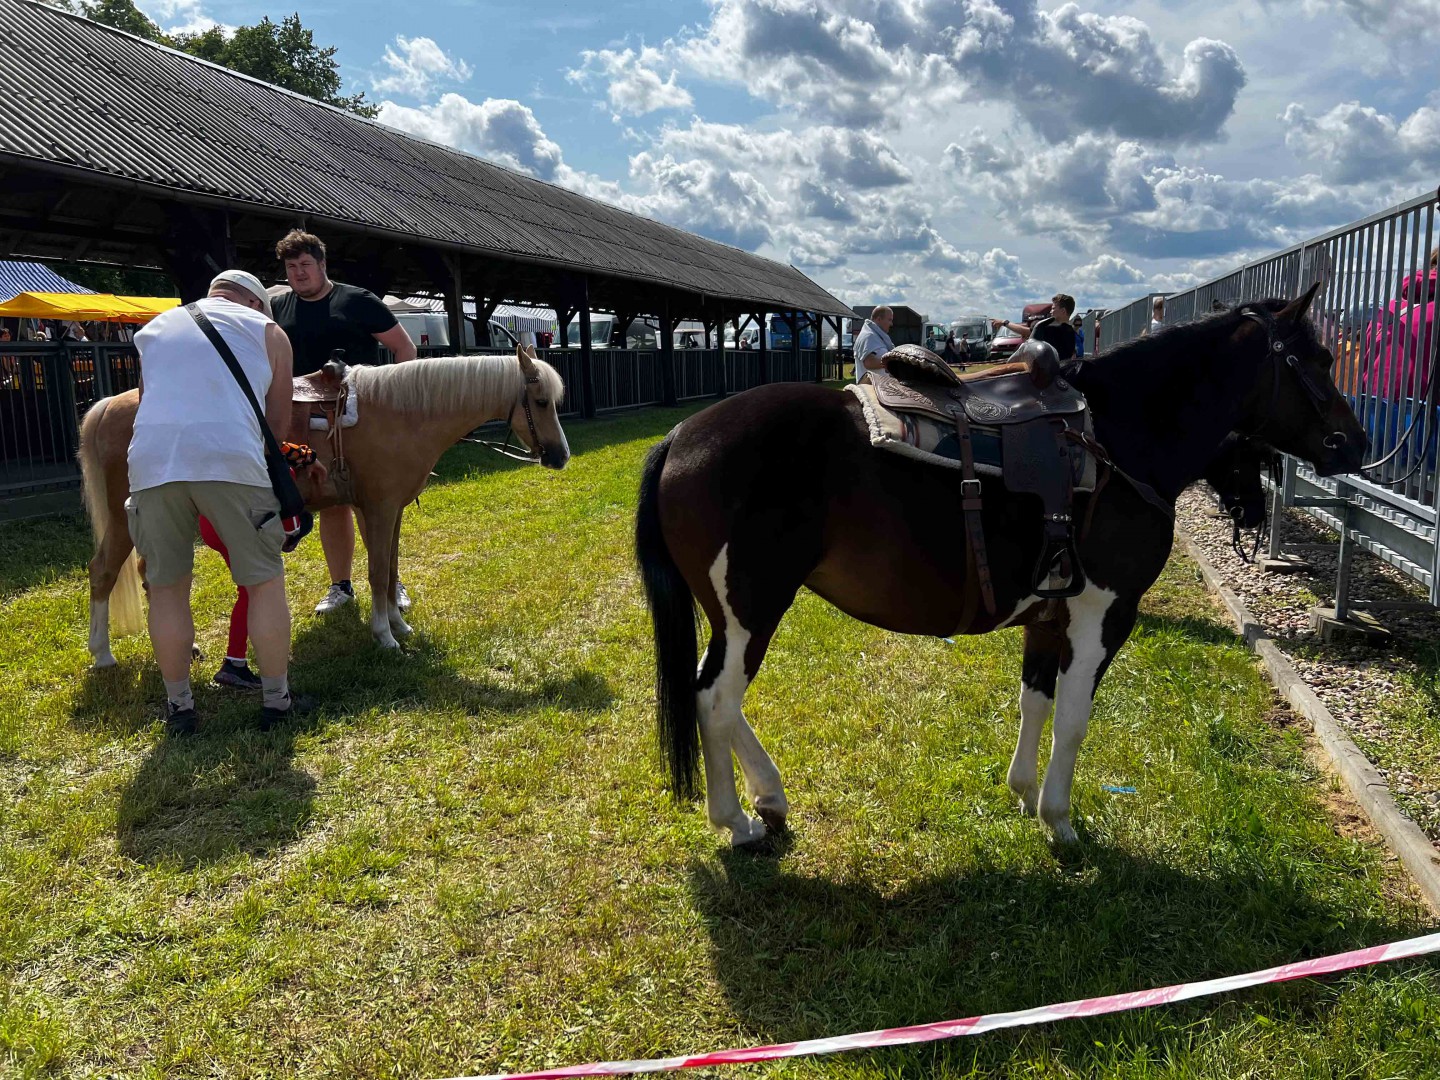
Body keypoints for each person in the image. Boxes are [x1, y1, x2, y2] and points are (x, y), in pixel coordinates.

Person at [126, 270, 310, 735]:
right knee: (264, 582)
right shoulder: (269, 332)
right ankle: (276, 702)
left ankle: (180, 708)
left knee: (167, 589)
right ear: (254, 302)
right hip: (231, 460)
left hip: (152, 465)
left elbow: (149, 403)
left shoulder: (154, 331)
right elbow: (277, 426)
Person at [271, 230, 417, 616]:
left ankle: (390, 580)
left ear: (322, 265)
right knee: (329, 501)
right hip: (304, 421)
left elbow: (404, 348)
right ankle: (341, 586)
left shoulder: (357, 300)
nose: (298, 274)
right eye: (291, 267)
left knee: (371, 502)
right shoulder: (278, 308)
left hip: (358, 416)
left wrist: (396, 403)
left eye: (305, 265)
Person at [992, 294, 1078, 361]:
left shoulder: (1052, 329)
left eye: (1053, 308)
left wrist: (1005, 322)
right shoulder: (1071, 331)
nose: (1051, 312)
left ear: (1063, 311)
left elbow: (1024, 331)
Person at [853, 305, 895, 380]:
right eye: (889, 320)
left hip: (880, 387)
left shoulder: (876, 336)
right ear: (879, 319)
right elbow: (869, 362)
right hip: (871, 388)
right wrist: (894, 362)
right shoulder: (869, 336)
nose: (891, 324)